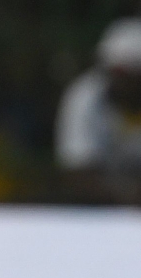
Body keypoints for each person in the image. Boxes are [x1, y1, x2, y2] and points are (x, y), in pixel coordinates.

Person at [55, 17, 141, 205]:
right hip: (99, 210)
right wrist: (127, 196)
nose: (119, 81)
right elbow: (76, 170)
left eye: (127, 74)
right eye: (114, 71)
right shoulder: (85, 97)